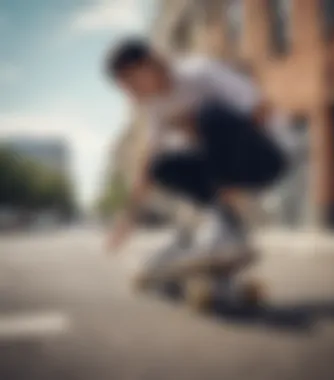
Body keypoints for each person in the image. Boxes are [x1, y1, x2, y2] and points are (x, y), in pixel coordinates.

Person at [105, 38, 287, 282]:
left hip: (267, 154)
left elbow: (262, 108)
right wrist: (128, 219)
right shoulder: (155, 106)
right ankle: (227, 222)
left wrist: (228, 178)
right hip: (225, 165)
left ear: (150, 63)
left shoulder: (199, 73)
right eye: (125, 88)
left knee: (208, 115)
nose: (132, 93)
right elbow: (147, 163)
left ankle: (232, 210)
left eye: (131, 82)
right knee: (160, 165)